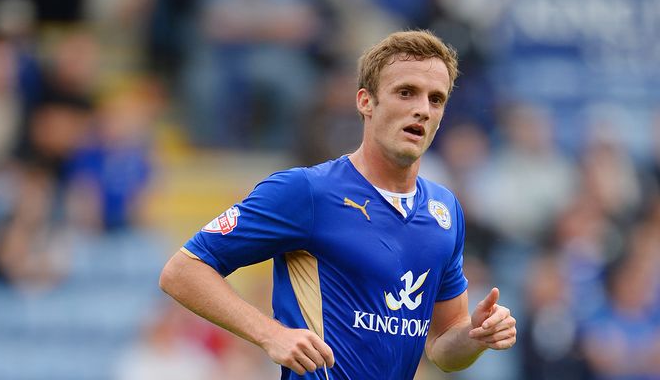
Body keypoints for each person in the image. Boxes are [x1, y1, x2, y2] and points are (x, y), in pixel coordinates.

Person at [160, 30, 517, 379]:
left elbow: (441, 347)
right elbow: (183, 271)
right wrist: (270, 334)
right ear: (366, 102)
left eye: (435, 99)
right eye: (406, 93)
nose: (422, 109)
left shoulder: (445, 210)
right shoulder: (307, 191)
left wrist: (474, 336)